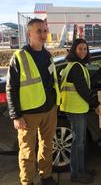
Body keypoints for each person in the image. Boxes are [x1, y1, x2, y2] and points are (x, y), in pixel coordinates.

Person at [6, 18, 60, 185]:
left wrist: (55, 103)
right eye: (39, 31)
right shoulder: (19, 57)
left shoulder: (47, 55)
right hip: (28, 114)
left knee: (47, 146)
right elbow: (11, 88)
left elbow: (52, 81)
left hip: (49, 109)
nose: (43, 34)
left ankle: (46, 175)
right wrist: (16, 116)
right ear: (29, 34)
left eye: (45, 30)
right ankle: (27, 181)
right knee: (27, 151)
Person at [60, 38, 101, 184]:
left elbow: (87, 82)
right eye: (80, 49)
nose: (83, 51)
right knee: (78, 143)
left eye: (85, 49)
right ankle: (76, 174)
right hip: (75, 109)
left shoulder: (76, 65)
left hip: (76, 108)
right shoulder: (76, 67)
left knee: (80, 141)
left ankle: (81, 169)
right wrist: (95, 104)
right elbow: (84, 90)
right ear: (74, 50)